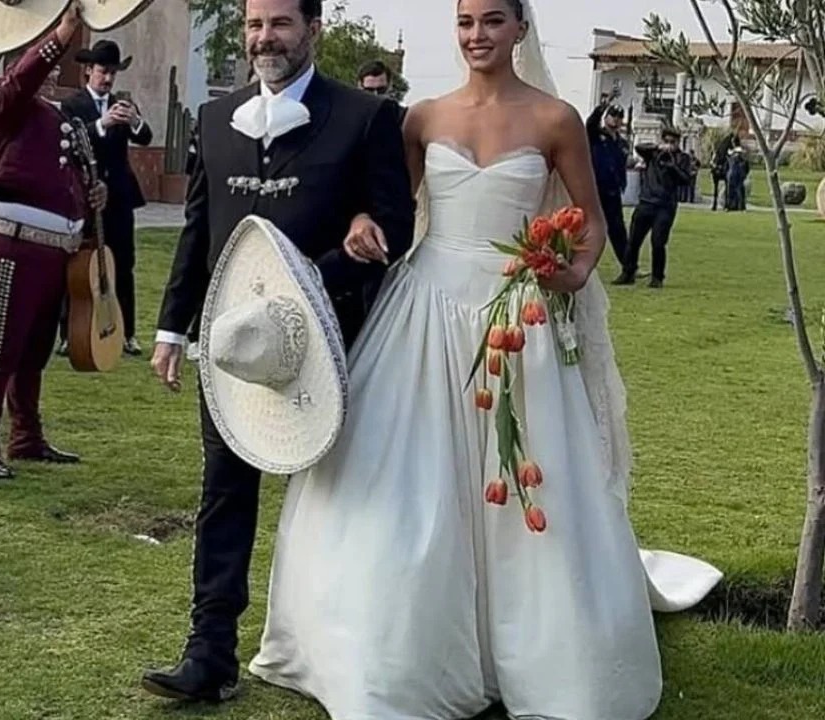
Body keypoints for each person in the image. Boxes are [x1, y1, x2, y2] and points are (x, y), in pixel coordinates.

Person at [245, 1, 722, 718]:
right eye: (466, 22)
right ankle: (396, 650)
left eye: (493, 21)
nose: (477, 35)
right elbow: (392, 208)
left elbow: (591, 223)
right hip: (423, 310)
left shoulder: (555, 119)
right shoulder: (422, 117)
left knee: (530, 474)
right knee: (402, 477)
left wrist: (573, 271)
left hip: (515, 315)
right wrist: (365, 221)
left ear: (520, 28)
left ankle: (542, 652)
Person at [140, 0, 414, 702]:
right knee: (223, 494)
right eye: (255, 24)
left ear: (313, 30)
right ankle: (210, 654)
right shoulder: (214, 118)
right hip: (237, 345)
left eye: (281, 23)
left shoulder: (366, 117)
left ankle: (348, 655)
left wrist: (339, 258)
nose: (265, 37)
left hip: (335, 344)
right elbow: (198, 232)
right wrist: (173, 328)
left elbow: (396, 225)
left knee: (344, 503)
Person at [0, 1, 105, 480]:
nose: (50, 71)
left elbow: (64, 177)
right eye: (41, 59)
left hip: (54, 250)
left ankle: (25, 435)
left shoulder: (57, 116)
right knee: (2, 346)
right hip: (13, 242)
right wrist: (58, 38)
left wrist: (89, 197)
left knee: (35, 350)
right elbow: (23, 81)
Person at [59, 39, 153, 358]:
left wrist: (134, 120)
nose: (108, 78)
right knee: (78, 263)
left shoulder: (123, 103)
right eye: (103, 71)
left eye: (113, 72)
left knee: (123, 263)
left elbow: (145, 137)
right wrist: (102, 124)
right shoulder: (73, 105)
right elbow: (70, 140)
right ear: (89, 70)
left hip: (119, 197)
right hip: (84, 195)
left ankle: (127, 333)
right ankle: (70, 333)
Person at [616, 126, 691, 288]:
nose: (669, 144)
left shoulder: (682, 158)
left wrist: (672, 166)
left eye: (673, 142)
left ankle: (657, 277)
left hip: (665, 206)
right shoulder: (652, 154)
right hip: (646, 202)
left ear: (678, 142)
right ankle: (628, 272)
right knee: (634, 240)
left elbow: (686, 180)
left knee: (658, 242)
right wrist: (658, 147)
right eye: (667, 140)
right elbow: (638, 148)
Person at [585, 94, 630, 267]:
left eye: (619, 117)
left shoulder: (621, 143)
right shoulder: (596, 136)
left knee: (618, 229)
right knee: (588, 226)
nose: (616, 119)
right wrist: (602, 106)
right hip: (596, 188)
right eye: (613, 115)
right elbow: (590, 124)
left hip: (613, 190)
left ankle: (628, 266)